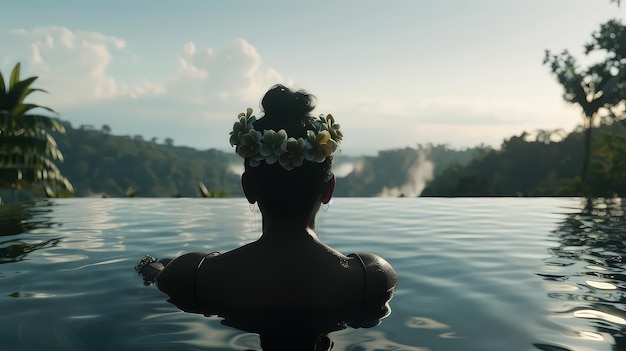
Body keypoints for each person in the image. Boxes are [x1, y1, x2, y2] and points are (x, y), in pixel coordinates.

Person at [136, 84, 398, 350]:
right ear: (328, 189)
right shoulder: (372, 278)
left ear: (248, 188)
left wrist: (152, 264)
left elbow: (154, 273)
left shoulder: (193, 275)